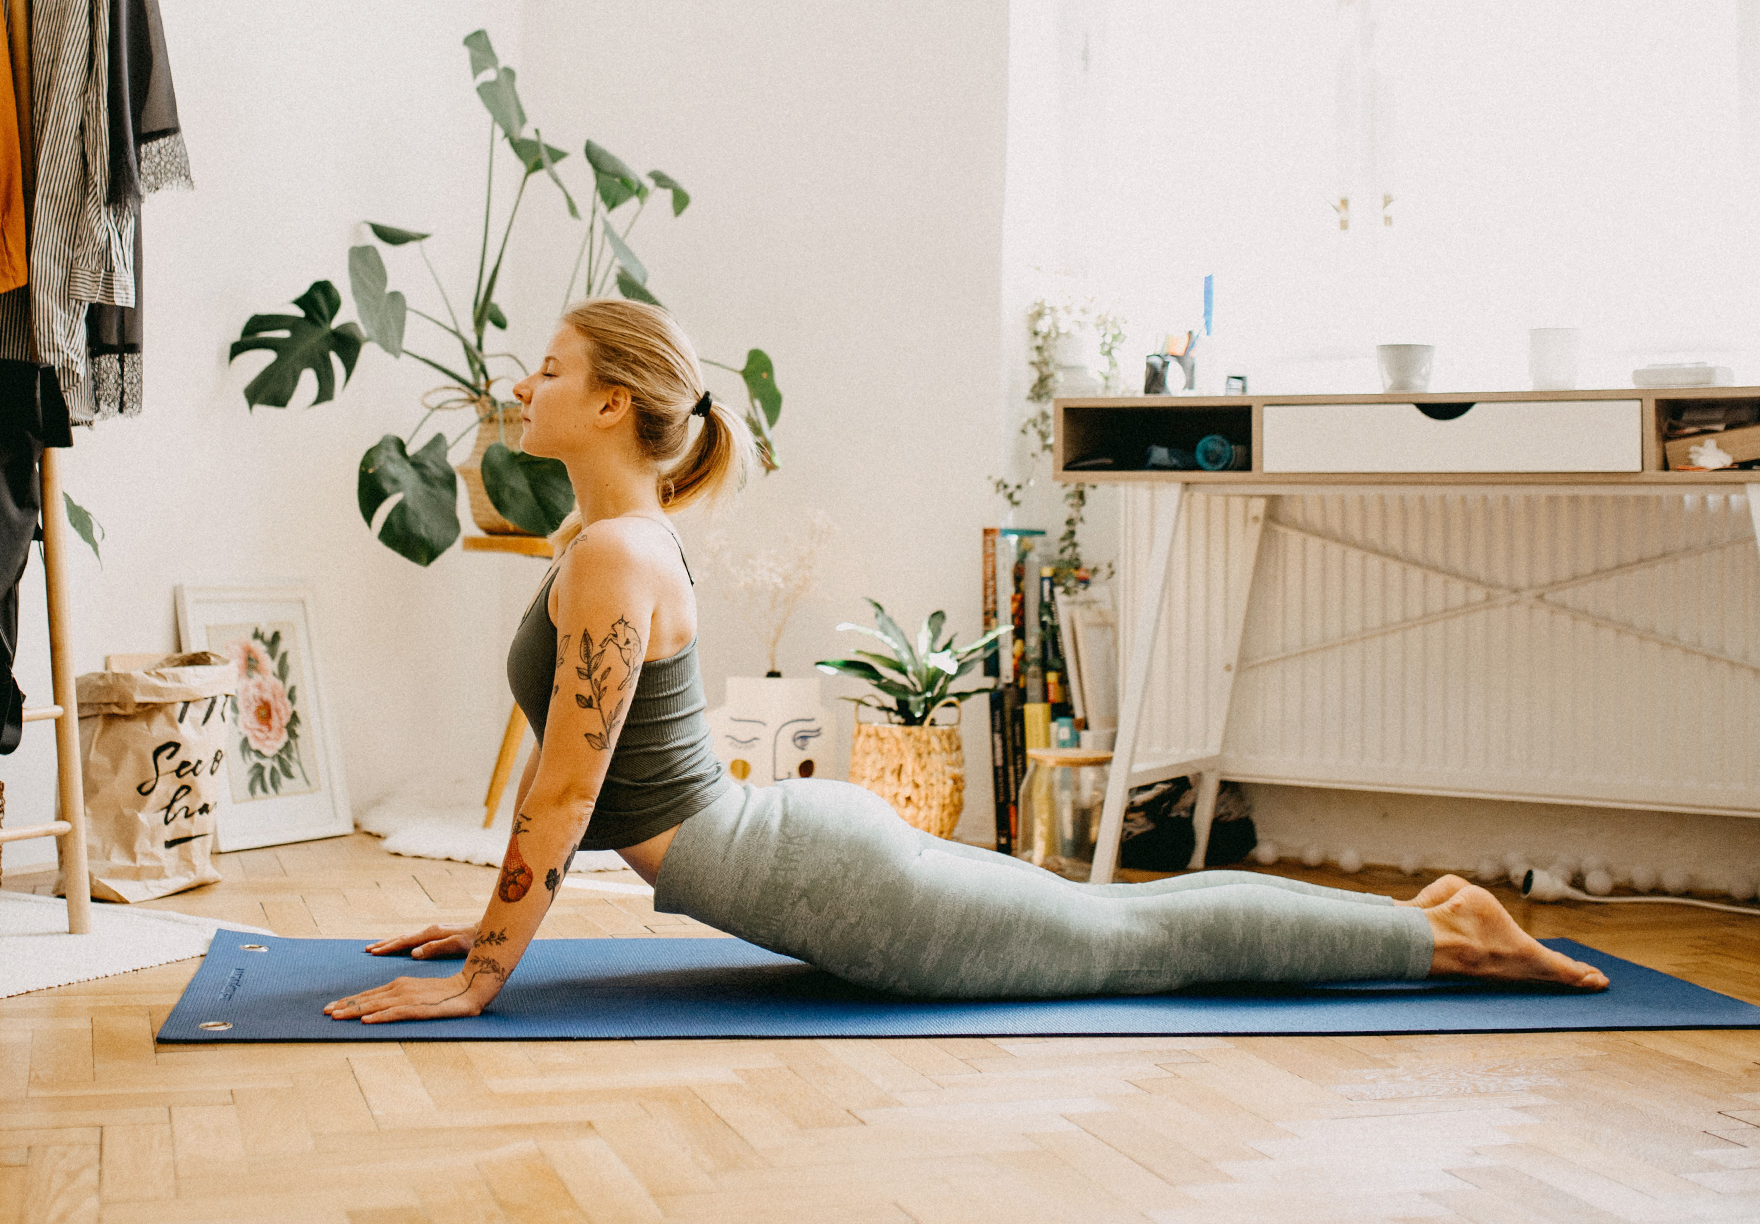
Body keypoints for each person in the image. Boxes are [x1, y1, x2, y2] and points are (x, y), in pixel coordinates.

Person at [323, 301, 1609, 1025]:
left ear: (611, 405)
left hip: (828, 882)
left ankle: (1446, 945)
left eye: (548, 370)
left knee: (1127, 953)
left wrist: (492, 969)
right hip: (798, 851)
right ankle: (1427, 922)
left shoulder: (612, 555)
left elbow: (562, 791)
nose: (522, 381)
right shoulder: (609, 540)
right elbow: (591, 787)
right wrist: (491, 924)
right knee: (1114, 924)